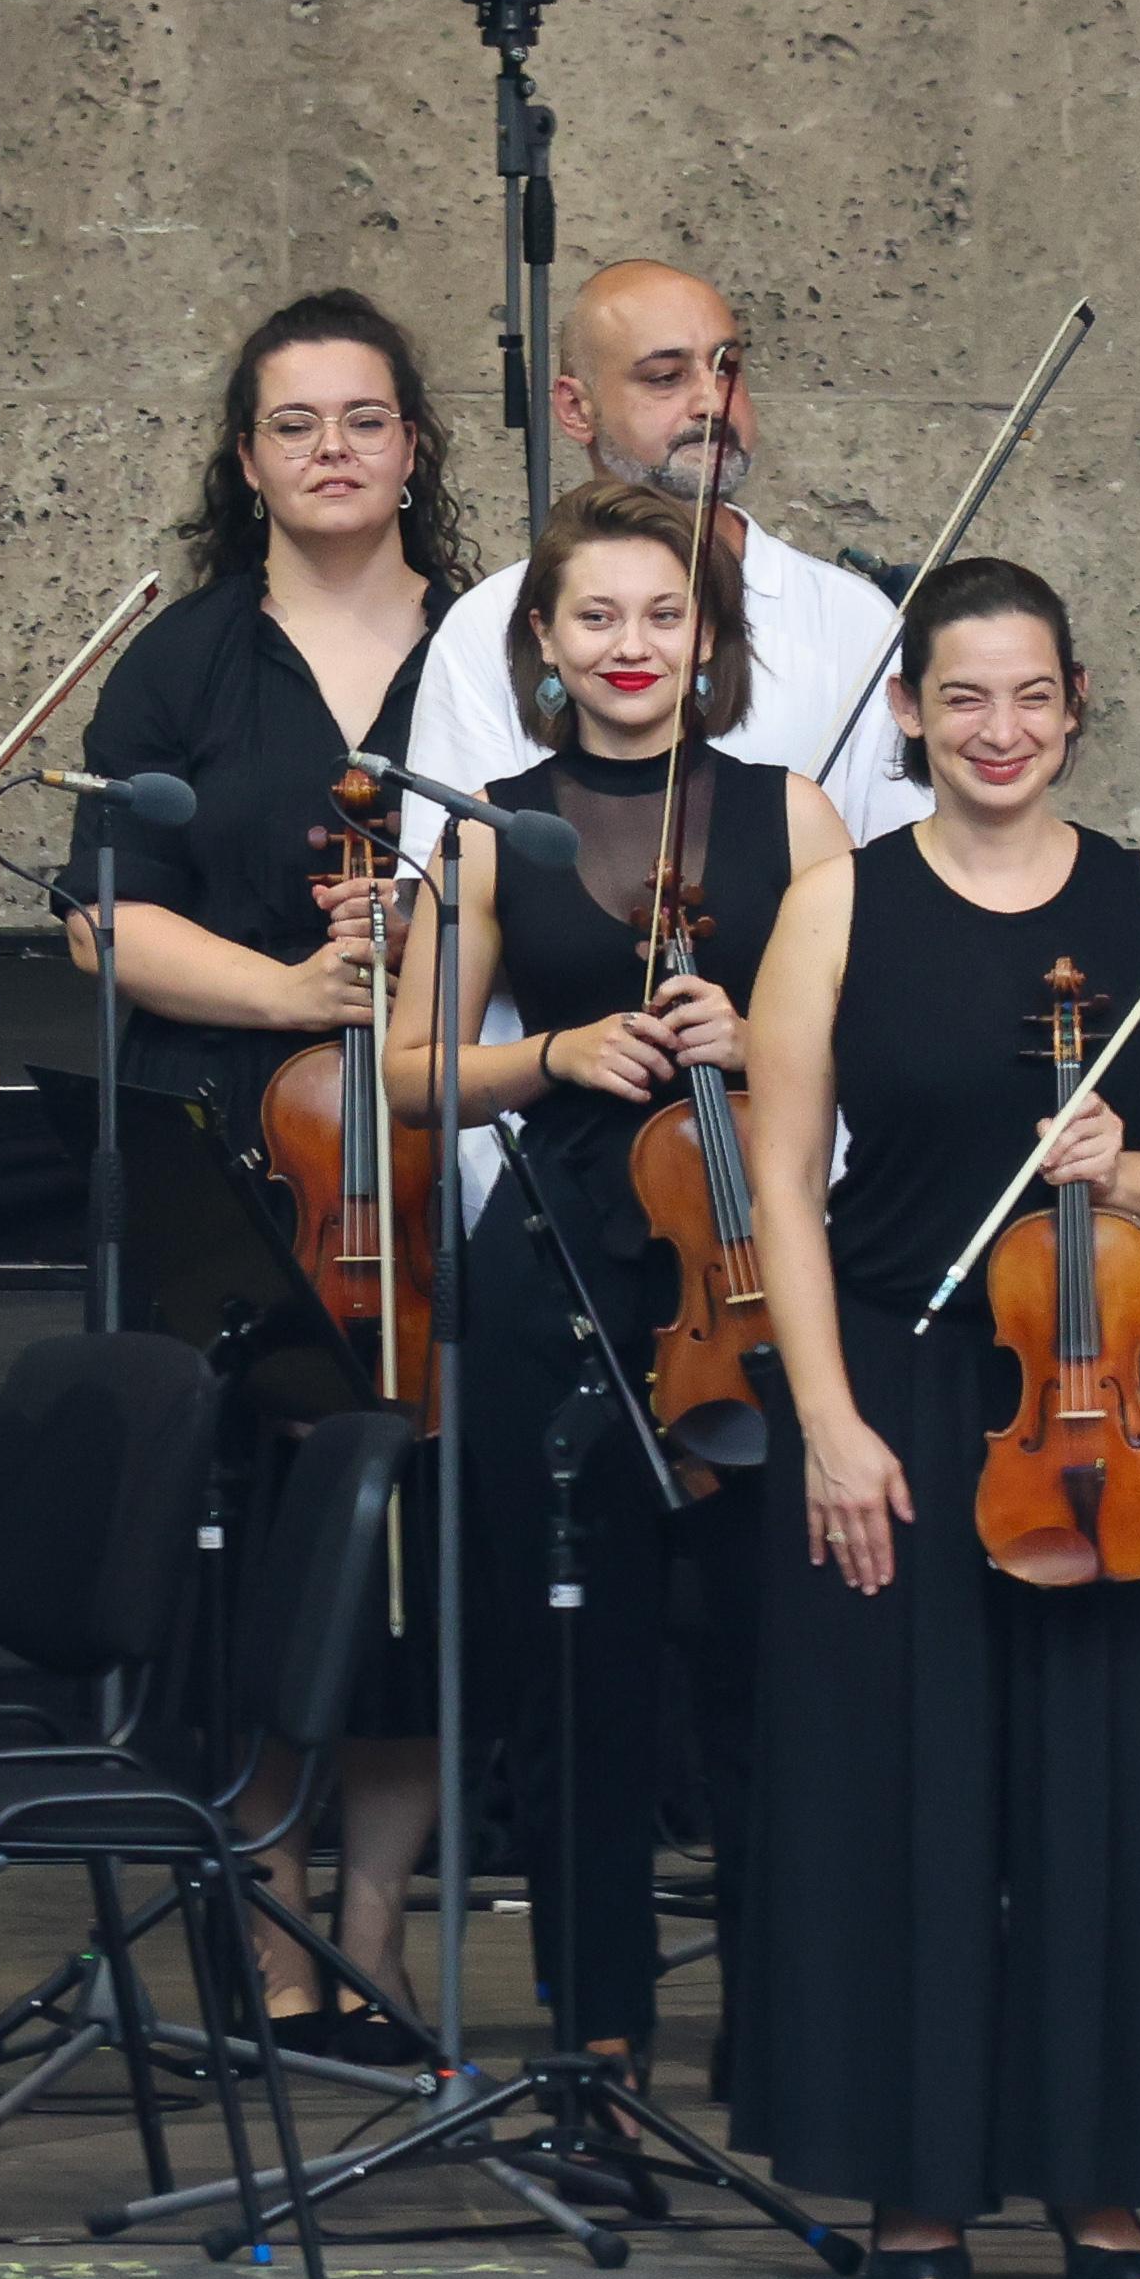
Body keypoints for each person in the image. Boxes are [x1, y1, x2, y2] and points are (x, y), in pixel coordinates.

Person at [728, 558, 1140, 2279]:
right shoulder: (839, 909)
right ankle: (917, 2176)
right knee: (902, 1791)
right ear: (907, 714)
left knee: (1108, 1788)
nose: (999, 728)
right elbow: (779, 1195)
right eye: (962, 697)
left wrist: (1135, 1165)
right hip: (899, 1381)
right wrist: (823, 1419)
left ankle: (1100, 2173)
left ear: (1075, 703)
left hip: (1100, 1392)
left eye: (1029, 694)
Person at [390, 480, 846, 2075]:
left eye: (664, 615)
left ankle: (787, 2034)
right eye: (596, 616)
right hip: (554, 1280)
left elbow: (867, 1056)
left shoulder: (794, 816)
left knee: (763, 1671)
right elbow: (403, 1071)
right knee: (574, 1669)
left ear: (706, 636)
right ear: (541, 641)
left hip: (747, 1279)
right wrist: (555, 1051)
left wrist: (767, 1046)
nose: (630, 644)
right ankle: (596, 2038)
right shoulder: (487, 823)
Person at [64, 287, 471, 2045]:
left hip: (439, 1150)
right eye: (293, 425)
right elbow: (100, 918)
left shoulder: (490, 645)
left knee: (417, 1546)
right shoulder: (186, 660)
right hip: (227, 1156)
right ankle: (267, 1907)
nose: (330, 451)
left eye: (362, 419)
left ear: (412, 447)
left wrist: (422, 976)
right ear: (246, 459)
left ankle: (376, 1907)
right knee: (250, 1548)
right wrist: (300, 991)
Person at [400, 260, 924, 851]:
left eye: (728, 370)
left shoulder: (853, 620)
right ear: (576, 409)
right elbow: (447, 882)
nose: (711, 401)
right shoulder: (489, 623)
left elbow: (897, 871)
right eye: (665, 377)